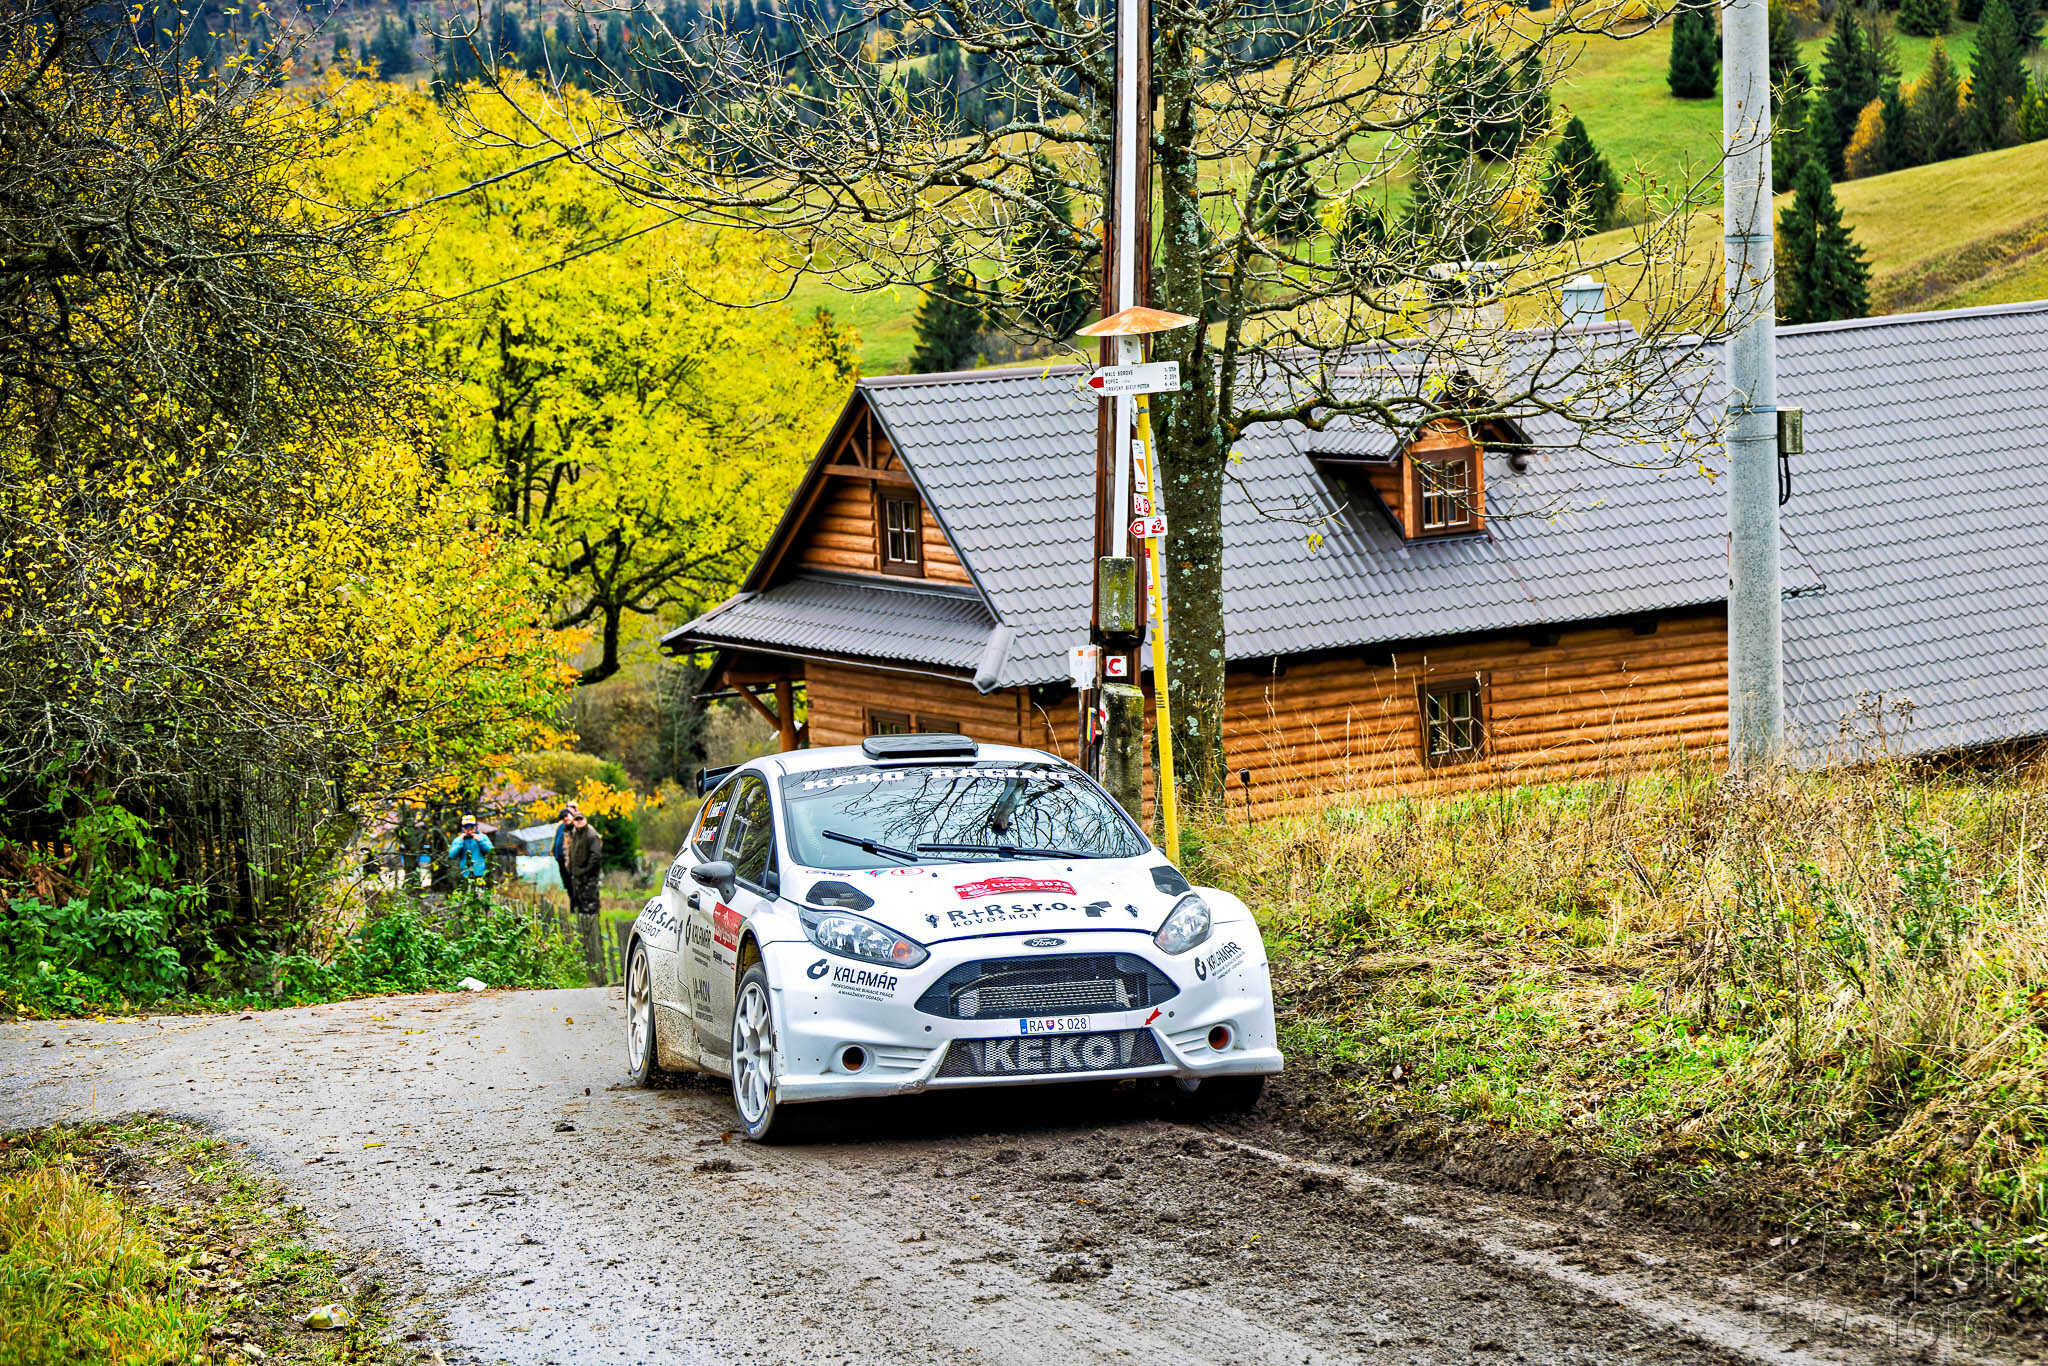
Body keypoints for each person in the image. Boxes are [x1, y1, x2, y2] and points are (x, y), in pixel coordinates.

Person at [563, 809, 604, 919]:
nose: (579, 821)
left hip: (589, 876)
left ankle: (592, 927)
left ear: (585, 820)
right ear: (574, 822)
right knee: (580, 904)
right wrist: (570, 868)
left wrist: (585, 870)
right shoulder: (575, 833)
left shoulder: (591, 834)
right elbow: (570, 852)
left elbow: (595, 856)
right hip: (577, 875)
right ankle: (584, 926)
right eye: (576, 819)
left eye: (581, 819)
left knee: (590, 905)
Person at [448, 815, 492, 889]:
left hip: (480, 873)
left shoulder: (482, 837)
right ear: (463, 828)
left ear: (475, 827)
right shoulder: (458, 839)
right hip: (465, 874)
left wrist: (480, 841)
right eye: (466, 828)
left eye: (471, 828)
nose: (469, 831)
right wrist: (460, 842)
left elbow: (491, 851)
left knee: (480, 893)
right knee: (466, 893)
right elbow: (452, 855)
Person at [550, 803, 580, 891]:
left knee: (576, 885)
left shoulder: (578, 825)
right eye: (567, 809)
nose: (566, 817)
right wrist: (554, 852)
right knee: (568, 885)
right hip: (561, 860)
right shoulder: (560, 826)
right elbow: (556, 840)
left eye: (571, 808)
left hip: (573, 861)